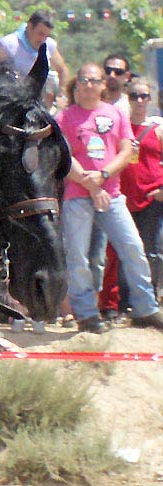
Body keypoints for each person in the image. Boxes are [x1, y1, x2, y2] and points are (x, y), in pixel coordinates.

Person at [56, 63, 163, 333]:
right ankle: (86, 314)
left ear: (103, 84)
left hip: (112, 195)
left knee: (133, 248)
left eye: (94, 80)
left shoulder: (115, 113)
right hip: (78, 196)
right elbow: (62, 156)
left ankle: (145, 308)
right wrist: (91, 185)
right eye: (84, 79)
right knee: (78, 257)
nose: (89, 84)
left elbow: (126, 150)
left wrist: (102, 176)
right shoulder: (64, 117)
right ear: (76, 83)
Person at [120, 79, 163, 303]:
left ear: (150, 99)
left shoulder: (159, 129)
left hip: (151, 198)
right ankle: (125, 300)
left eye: (143, 96)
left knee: (151, 252)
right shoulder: (121, 127)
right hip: (124, 197)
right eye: (134, 95)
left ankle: (150, 299)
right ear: (128, 98)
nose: (139, 100)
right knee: (126, 251)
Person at [0, 11, 69, 86]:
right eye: (40, 34)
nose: (43, 40)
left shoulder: (49, 45)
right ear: (29, 27)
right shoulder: (6, 45)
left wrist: (61, 92)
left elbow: (62, 70)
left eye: (46, 36)